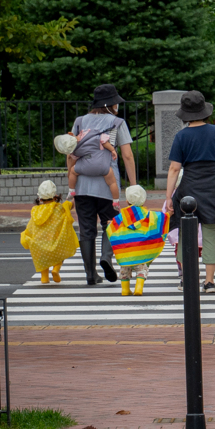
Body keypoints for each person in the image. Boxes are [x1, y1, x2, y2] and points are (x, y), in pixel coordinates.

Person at [165, 90, 215, 295]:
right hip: (213, 188)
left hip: (189, 188)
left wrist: (168, 196)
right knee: (210, 234)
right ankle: (209, 282)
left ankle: (187, 279)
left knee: (185, 235)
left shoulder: (181, 136)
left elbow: (174, 168)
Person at [70, 83, 137, 286]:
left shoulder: (80, 122)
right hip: (109, 186)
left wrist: (71, 186)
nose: (118, 106)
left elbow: (71, 154)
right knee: (111, 223)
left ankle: (90, 274)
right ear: (109, 105)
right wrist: (133, 186)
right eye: (116, 103)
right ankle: (106, 257)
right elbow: (126, 155)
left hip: (81, 185)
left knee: (86, 229)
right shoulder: (117, 122)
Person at [106, 185, 170, 296]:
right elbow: (159, 219)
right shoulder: (148, 214)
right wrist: (168, 215)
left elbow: (112, 227)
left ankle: (125, 289)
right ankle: (138, 288)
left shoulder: (122, 216)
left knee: (124, 270)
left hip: (126, 251)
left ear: (127, 200)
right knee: (141, 268)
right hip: (141, 250)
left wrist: (109, 224)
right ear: (144, 200)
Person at [19, 180, 78, 284]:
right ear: (55, 196)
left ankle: (44, 278)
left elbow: (31, 226)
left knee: (43, 260)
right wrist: (76, 195)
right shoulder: (60, 208)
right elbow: (71, 204)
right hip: (55, 241)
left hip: (40, 242)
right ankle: (56, 269)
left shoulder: (35, 210)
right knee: (60, 254)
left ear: (40, 198)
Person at [54, 131, 120, 204]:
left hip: (86, 167)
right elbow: (103, 140)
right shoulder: (89, 135)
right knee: (112, 183)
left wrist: (69, 171)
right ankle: (115, 201)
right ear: (70, 134)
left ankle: (71, 191)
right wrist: (112, 150)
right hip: (102, 165)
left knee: (73, 171)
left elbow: (73, 161)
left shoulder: (75, 151)